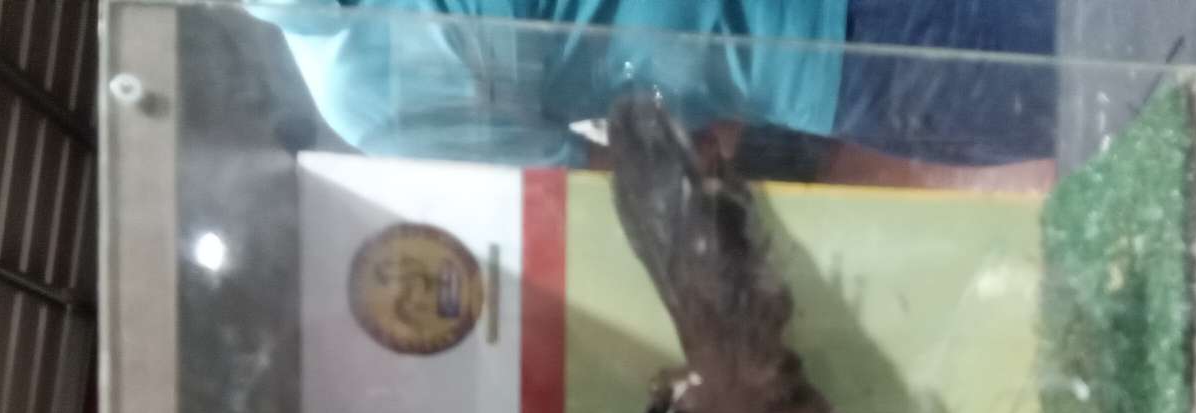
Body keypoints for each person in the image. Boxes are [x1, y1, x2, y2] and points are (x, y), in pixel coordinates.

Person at [252, 0, 1056, 187]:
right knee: (1094, 81)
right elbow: (589, 178)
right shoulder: (364, 94)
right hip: (841, 59)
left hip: (832, 63)